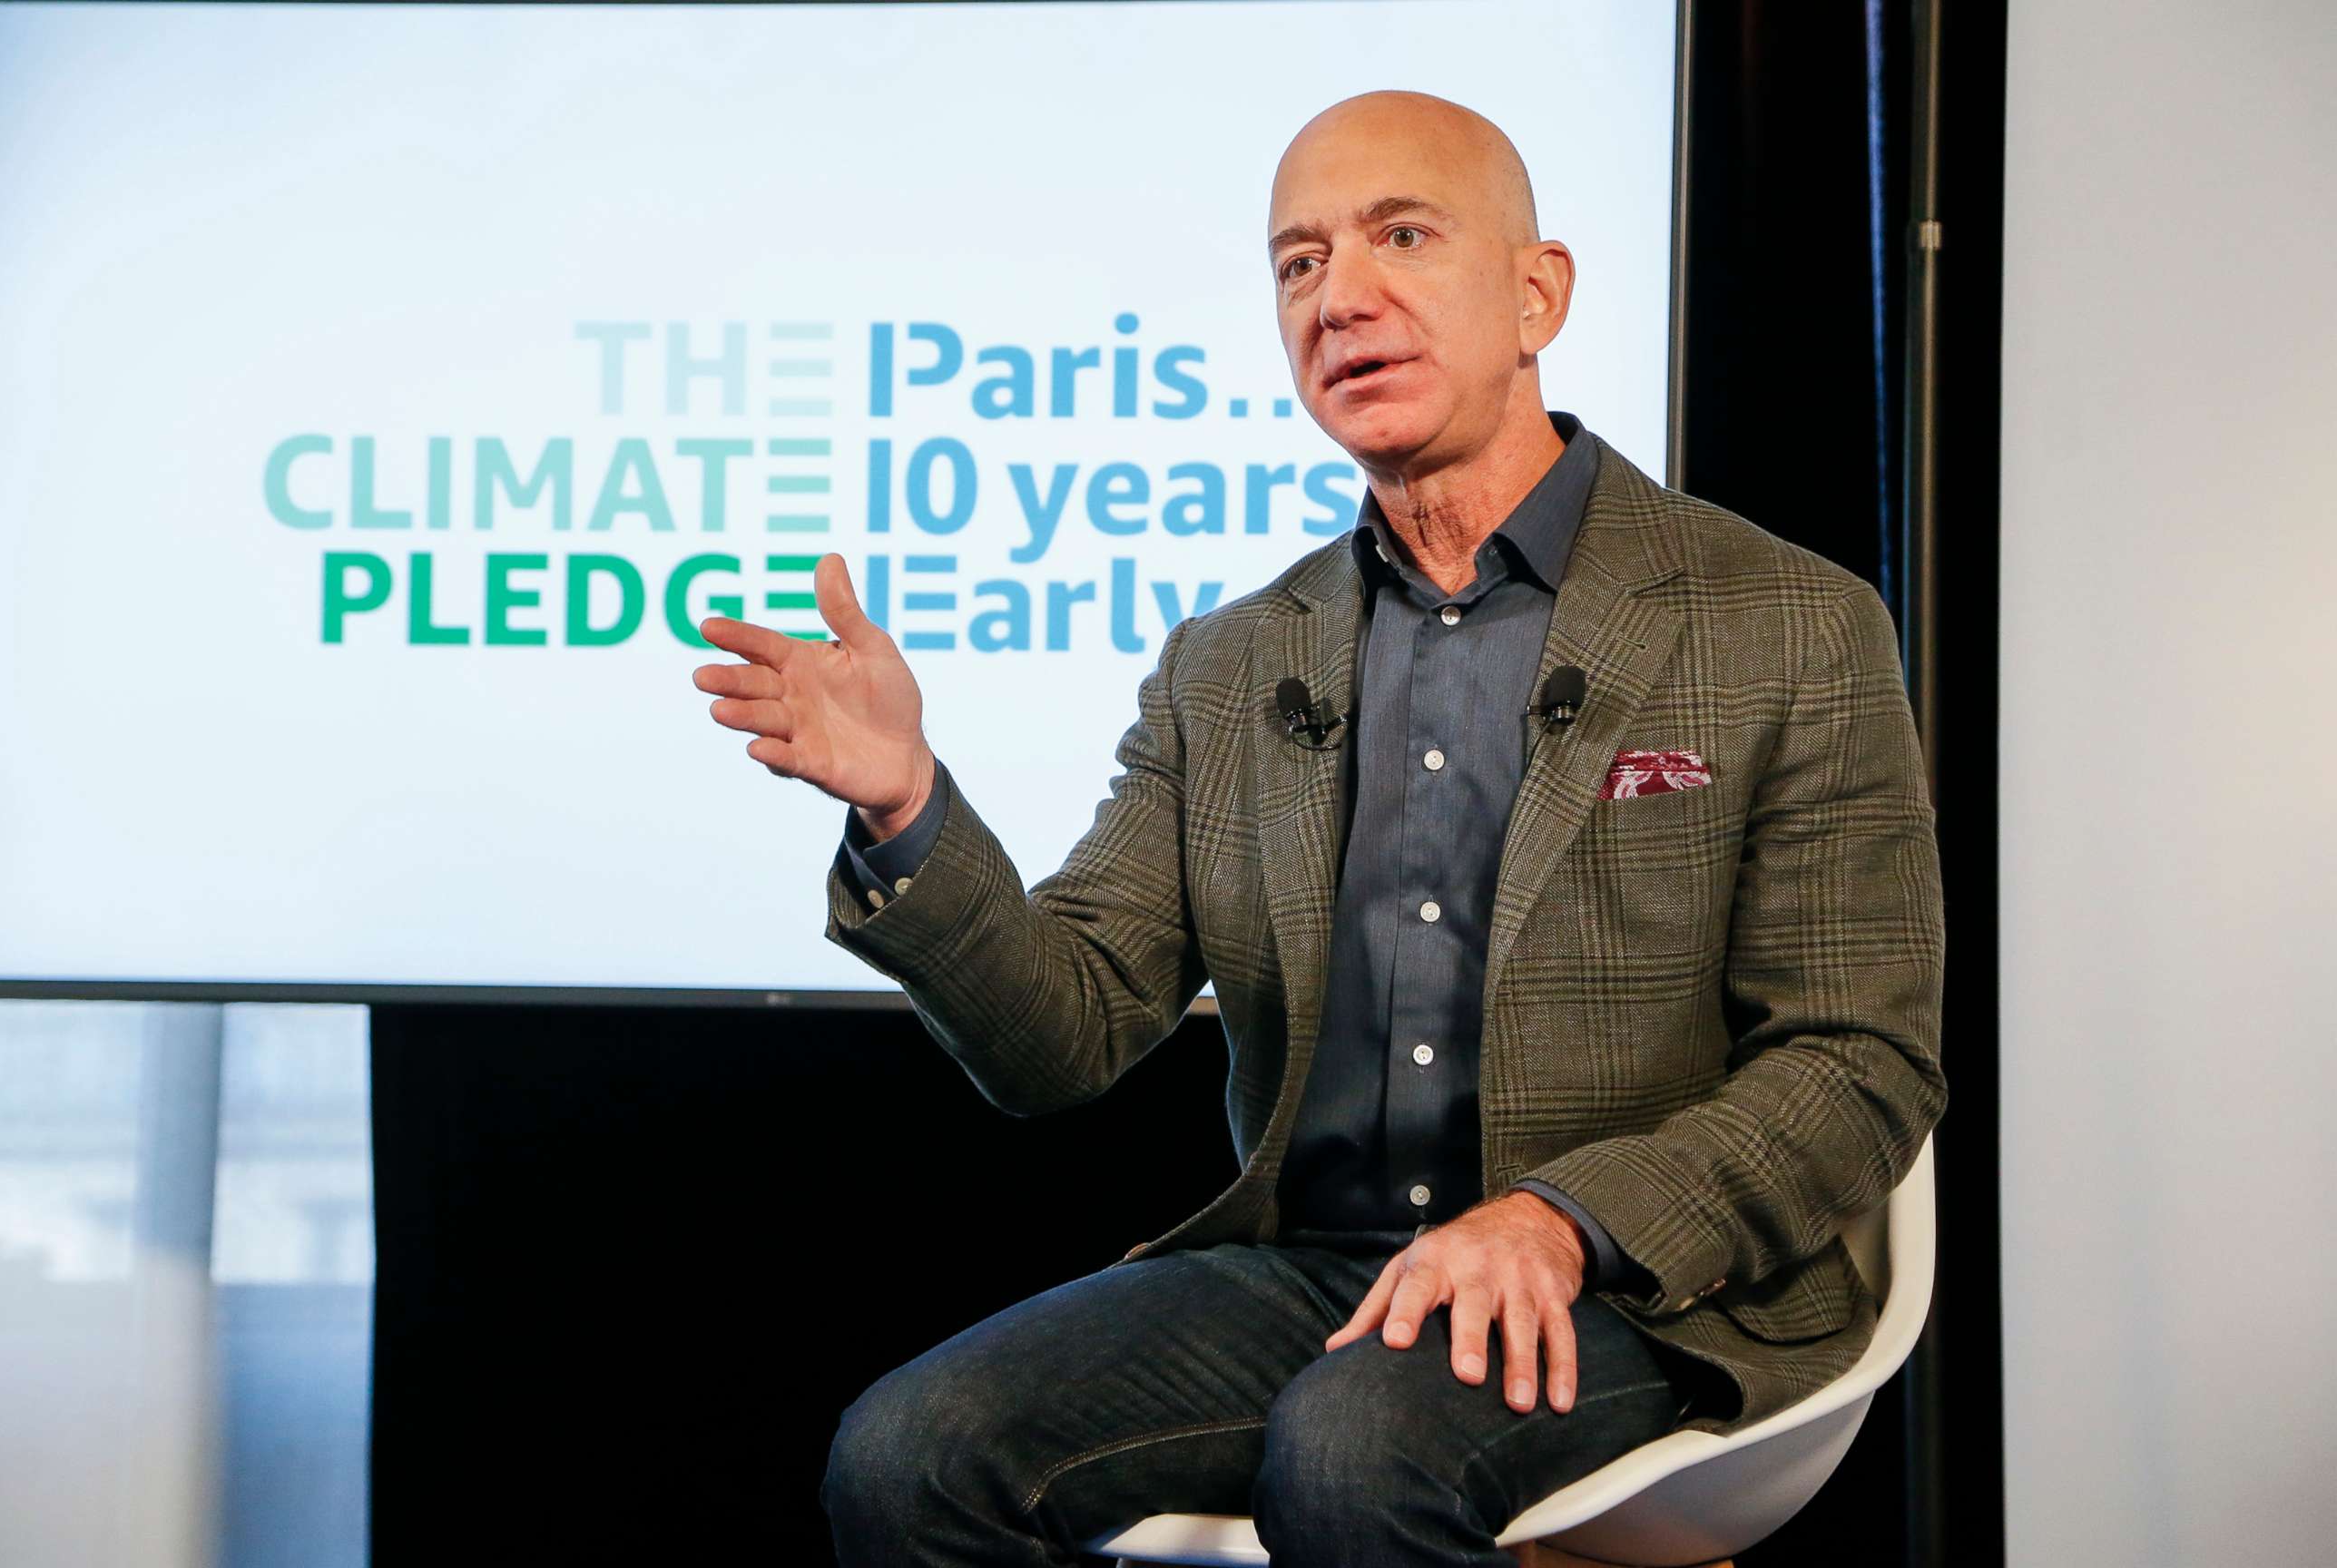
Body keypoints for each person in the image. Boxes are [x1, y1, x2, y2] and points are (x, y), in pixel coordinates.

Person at [693, 89, 1945, 1568]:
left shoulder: (1783, 621)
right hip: (1318, 1272)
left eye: (1401, 236)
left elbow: (1858, 1061)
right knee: (912, 1456)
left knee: (1352, 1448)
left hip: (1638, 1286)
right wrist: (907, 803)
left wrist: (1555, 1221)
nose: (1341, 296)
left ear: (1537, 293)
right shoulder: (1229, 665)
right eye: (1298, 263)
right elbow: (1062, 1033)